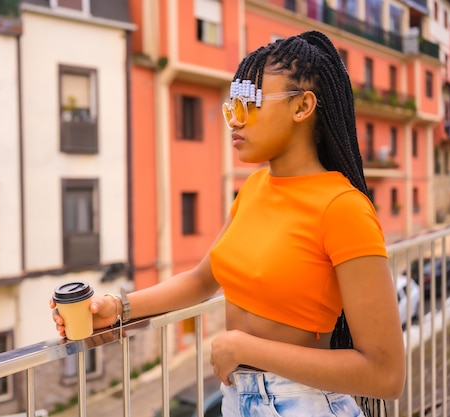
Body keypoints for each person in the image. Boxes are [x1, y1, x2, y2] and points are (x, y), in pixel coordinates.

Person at [51, 30, 405, 416]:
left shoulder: (343, 208)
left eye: (249, 104)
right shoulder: (252, 189)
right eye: (231, 105)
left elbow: (386, 374)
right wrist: (117, 308)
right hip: (240, 399)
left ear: (302, 107)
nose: (234, 120)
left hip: (303, 402)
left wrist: (244, 348)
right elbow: (202, 280)